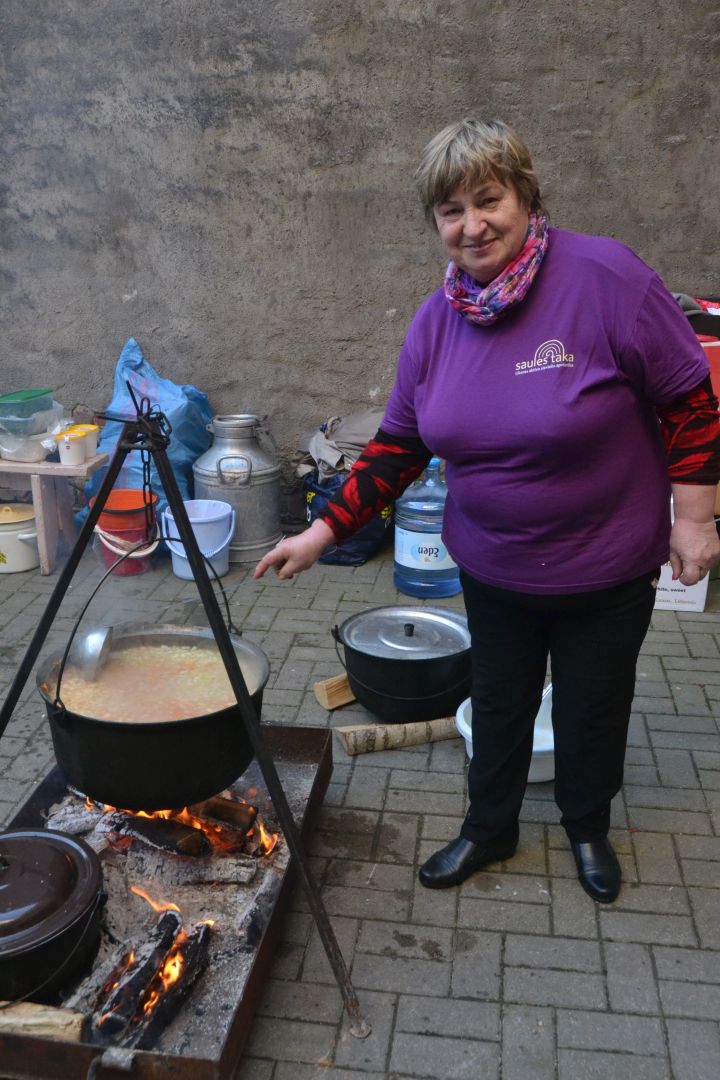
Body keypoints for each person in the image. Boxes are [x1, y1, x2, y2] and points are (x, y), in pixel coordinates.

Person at [255, 118, 720, 903]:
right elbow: (399, 444)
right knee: (499, 704)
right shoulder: (437, 321)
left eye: (488, 200)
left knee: (593, 707)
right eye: (451, 210)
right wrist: (322, 531)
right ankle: (489, 827)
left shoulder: (607, 278)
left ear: (525, 197)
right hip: (495, 567)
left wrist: (696, 519)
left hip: (605, 567)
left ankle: (586, 826)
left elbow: (690, 401)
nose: (472, 225)